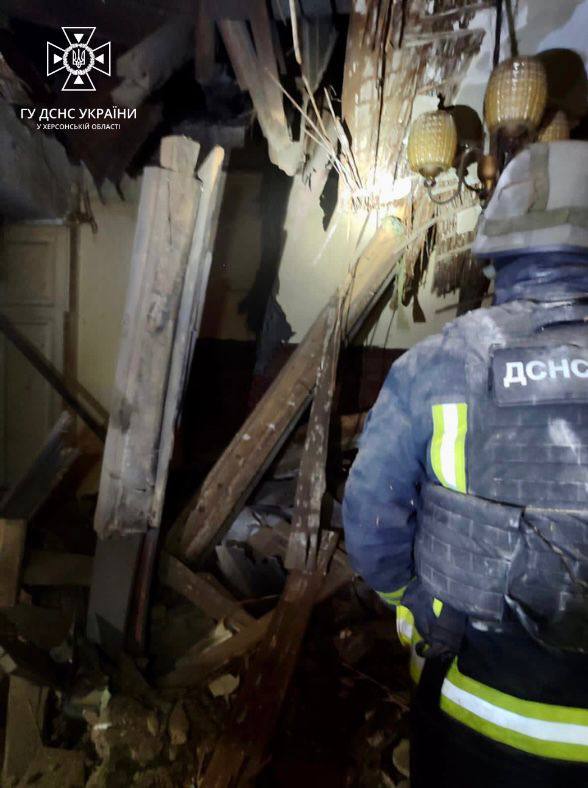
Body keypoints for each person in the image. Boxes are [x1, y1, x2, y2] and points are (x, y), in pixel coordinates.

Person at [342, 140, 588, 788]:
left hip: (467, 708)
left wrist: (414, 605)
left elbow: (370, 519)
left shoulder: (439, 364)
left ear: (499, 249)